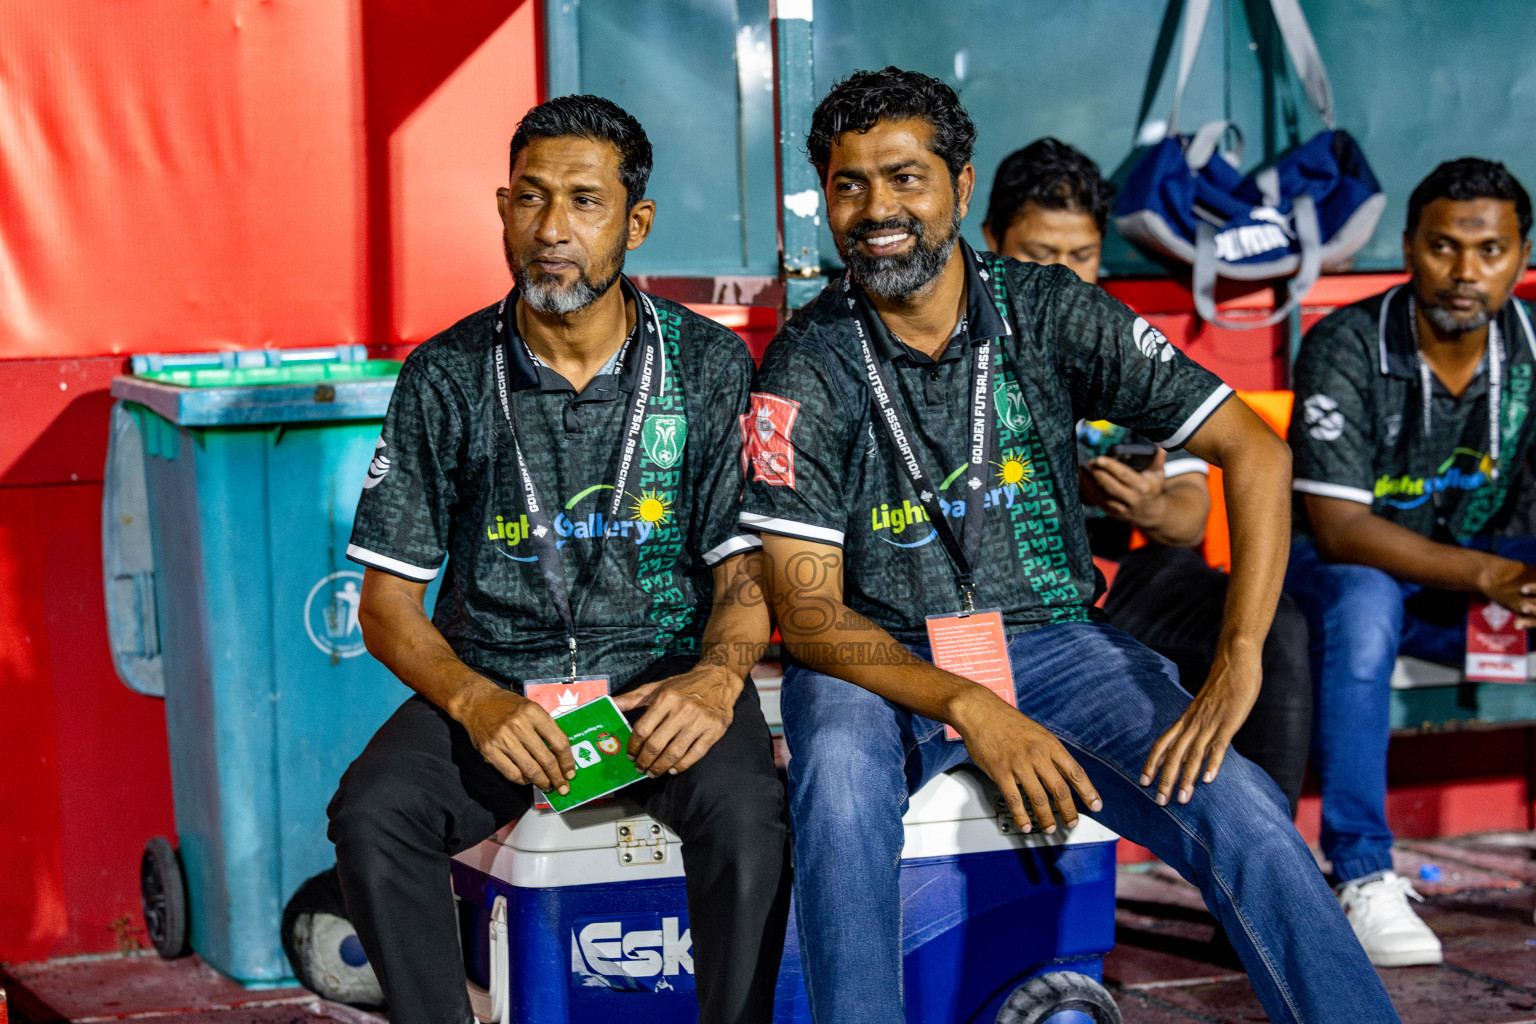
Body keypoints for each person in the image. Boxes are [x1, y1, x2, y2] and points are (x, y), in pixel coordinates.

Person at [741, 67, 1400, 1024]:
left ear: (962, 188)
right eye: (850, 185)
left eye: (906, 178)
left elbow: (1251, 450)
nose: (878, 209)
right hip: (873, 657)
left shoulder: (1048, 308)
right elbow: (807, 615)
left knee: (1242, 806)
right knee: (839, 795)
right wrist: (972, 703)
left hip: (1052, 640)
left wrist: (1240, 656)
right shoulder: (808, 359)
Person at [327, 95, 791, 1024]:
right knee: (372, 815)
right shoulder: (446, 374)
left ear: (636, 221)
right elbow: (387, 605)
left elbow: (744, 573)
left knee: (750, 817)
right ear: (502, 209)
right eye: (531, 200)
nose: (552, 231)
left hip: (658, 684)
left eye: (585, 202)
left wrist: (716, 676)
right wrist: (476, 700)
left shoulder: (707, 366)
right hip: (499, 690)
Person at [983, 137, 1312, 818]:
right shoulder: (955, 341)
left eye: (1080, 255)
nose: (1064, 275)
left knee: (1274, 626)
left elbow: (1190, 513)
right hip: (1017, 598)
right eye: (1039, 255)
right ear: (989, 238)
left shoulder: (1123, 342)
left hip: (1132, 577)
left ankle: (1266, 856)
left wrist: (1149, 504)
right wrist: (1072, 485)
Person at [1284, 157, 1536, 967]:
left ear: (1522, 258)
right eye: (1443, 247)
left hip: (1475, 582)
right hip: (1345, 583)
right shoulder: (1347, 343)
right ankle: (1363, 871)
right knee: (1364, 601)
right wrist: (1491, 576)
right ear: (1408, 247)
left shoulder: (1531, 350)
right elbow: (1340, 529)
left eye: (1491, 251)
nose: (1466, 273)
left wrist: (1508, 575)